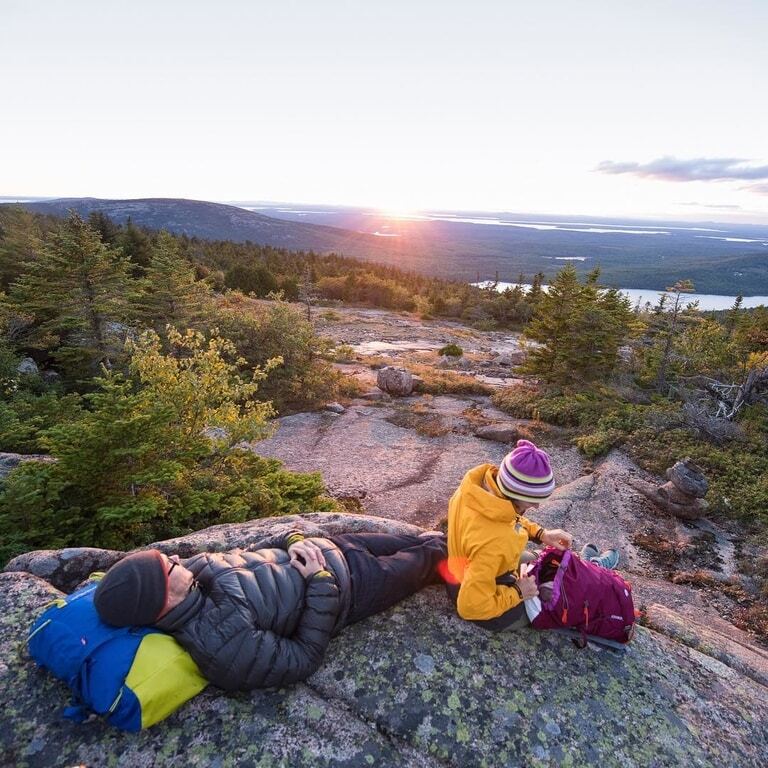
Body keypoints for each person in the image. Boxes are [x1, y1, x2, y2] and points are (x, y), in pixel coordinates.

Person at [93, 529, 447, 691]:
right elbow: (303, 658)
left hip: (337, 544)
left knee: (424, 538)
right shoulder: (220, 645)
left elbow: (254, 548)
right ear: (162, 599)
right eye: (166, 566)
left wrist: (294, 540)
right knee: (435, 557)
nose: (173, 558)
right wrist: (321, 582)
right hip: (357, 585)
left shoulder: (194, 568)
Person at [445, 439, 619, 632]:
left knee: (541, 560)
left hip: (468, 568)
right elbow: (470, 607)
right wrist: (519, 592)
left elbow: (503, 517)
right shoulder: (495, 542)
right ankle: (593, 573)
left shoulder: (476, 489)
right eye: (532, 500)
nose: (536, 506)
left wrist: (541, 533)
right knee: (555, 600)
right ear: (513, 492)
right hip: (487, 601)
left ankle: (587, 570)